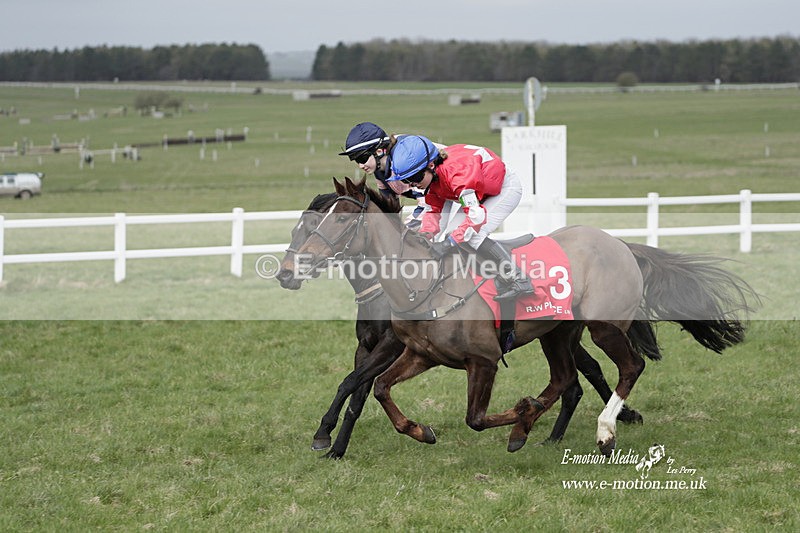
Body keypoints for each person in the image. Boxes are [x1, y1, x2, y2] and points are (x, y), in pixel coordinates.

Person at [387, 135, 534, 302]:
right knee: (453, 233)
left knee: (472, 235)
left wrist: (449, 243)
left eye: (414, 178)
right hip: (478, 190)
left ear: (431, 165)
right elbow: (434, 211)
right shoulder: (431, 177)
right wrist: (424, 236)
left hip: (504, 188)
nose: (412, 184)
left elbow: (476, 218)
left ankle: (519, 278)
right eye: (407, 180)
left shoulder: (457, 175)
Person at [338, 122, 437, 228]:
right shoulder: (379, 169)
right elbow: (390, 208)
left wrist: (406, 228)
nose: (361, 166)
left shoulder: (403, 162)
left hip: (450, 191)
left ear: (379, 151)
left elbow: (428, 205)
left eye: (362, 159)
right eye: (356, 161)